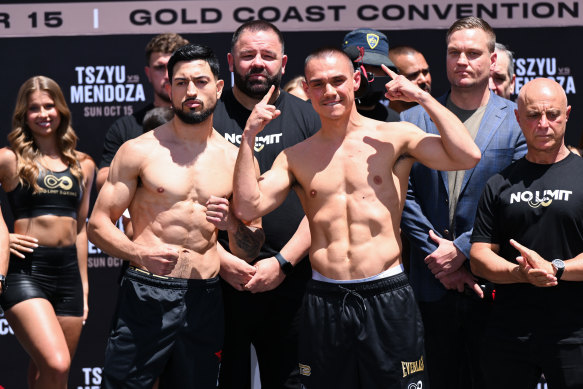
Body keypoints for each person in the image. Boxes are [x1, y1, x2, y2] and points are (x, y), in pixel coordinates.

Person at [232, 47, 481, 388]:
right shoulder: (296, 157)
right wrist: (248, 137)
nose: (329, 91)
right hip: (325, 297)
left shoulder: (394, 137)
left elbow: (467, 155)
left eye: (337, 81)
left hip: (387, 293)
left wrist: (422, 97)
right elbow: (248, 207)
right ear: (306, 91)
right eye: (318, 84)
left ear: (355, 81)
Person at [87, 44, 265, 388]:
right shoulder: (139, 150)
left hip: (205, 296)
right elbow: (97, 225)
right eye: (181, 83)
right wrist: (139, 254)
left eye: (200, 81)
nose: (191, 91)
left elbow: (251, 247)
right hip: (147, 292)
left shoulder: (237, 159)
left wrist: (231, 224)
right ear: (169, 89)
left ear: (218, 87)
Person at [400, 16, 527, 389]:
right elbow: (402, 195)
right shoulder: (412, 118)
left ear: (492, 60)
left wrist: (462, 249)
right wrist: (441, 260)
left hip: (491, 284)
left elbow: (515, 198)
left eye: (473, 53)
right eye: (454, 52)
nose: (462, 61)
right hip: (429, 280)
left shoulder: (517, 121)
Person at [213, 20, 321, 389]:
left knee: (293, 382)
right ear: (230, 61)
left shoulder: (309, 117)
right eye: (247, 55)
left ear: (283, 62)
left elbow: (321, 204)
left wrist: (283, 263)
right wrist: (222, 261)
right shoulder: (207, 118)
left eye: (267, 55)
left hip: (292, 280)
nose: (258, 63)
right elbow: (183, 201)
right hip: (220, 281)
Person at [470, 77, 583, 388]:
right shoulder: (499, 183)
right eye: (533, 115)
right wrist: (520, 273)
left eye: (552, 114)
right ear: (518, 118)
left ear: (568, 114)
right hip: (509, 332)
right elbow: (479, 256)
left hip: (574, 334)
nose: (543, 124)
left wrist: (555, 269)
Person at [0, 76, 95, 388]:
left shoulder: (83, 164)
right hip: (26, 270)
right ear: (24, 115)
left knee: (51, 373)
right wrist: (4, 237)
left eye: (49, 106)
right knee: (57, 362)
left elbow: (80, 229)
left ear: (61, 110)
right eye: (34, 108)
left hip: (68, 273)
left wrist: (83, 285)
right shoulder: (8, 159)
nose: (43, 114)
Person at [96, 33, 189, 190]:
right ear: (148, 73)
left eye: (173, 66)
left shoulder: (206, 120)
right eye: (160, 67)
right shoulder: (125, 127)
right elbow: (102, 180)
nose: (167, 75)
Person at [342, 28, 401, 122]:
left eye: (377, 67)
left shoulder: (394, 119)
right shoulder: (323, 115)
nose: (368, 74)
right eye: (361, 66)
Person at [388, 46, 432, 113]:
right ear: (391, 79)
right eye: (413, 75)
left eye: (425, 72)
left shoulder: (441, 116)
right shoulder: (377, 120)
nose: (423, 80)